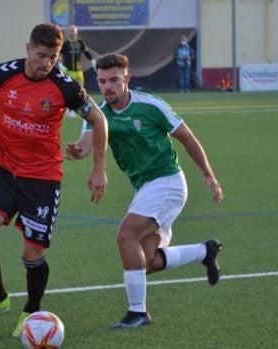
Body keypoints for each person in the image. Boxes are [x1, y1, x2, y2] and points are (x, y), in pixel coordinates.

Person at [0, 22, 108, 338]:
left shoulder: (65, 86)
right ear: (27, 48)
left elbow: (99, 120)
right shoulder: (3, 74)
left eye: (52, 57)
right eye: (41, 55)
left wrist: (98, 169)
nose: (46, 63)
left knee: (32, 254)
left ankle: (31, 311)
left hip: (42, 181)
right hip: (4, 172)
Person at [65, 53, 224, 329]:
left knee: (126, 235)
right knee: (147, 261)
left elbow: (186, 137)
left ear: (127, 78)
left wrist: (208, 174)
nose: (107, 87)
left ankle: (137, 312)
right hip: (144, 188)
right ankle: (204, 251)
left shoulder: (150, 106)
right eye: (102, 81)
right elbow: (85, 143)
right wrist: (77, 152)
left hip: (167, 182)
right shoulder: (97, 114)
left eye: (114, 79)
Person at [59, 25, 96, 117]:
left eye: (74, 31)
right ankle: (69, 109)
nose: (72, 32)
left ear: (76, 32)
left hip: (79, 71)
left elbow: (86, 52)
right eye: (71, 31)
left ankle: (79, 108)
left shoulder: (80, 43)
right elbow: (58, 54)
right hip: (68, 71)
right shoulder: (65, 43)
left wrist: (92, 61)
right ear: (68, 33)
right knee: (69, 90)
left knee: (80, 91)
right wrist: (60, 65)